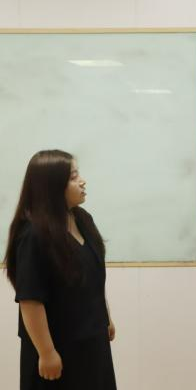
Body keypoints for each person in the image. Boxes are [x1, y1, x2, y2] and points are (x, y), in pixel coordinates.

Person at [3, 150, 117, 390]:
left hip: (92, 342)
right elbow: (30, 300)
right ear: (52, 186)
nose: (82, 181)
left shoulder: (83, 219)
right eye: (74, 177)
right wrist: (47, 353)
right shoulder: (33, 234)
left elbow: (93, 277)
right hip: (57, 350)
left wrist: (105, 317)